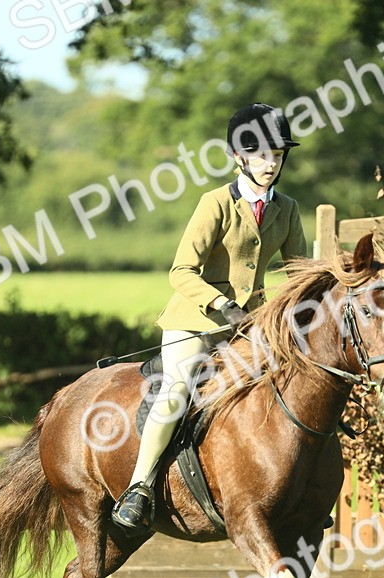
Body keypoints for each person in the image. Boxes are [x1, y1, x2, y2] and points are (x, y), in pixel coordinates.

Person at [111, 103, 308, 530]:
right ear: (240, 156)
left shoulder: (288, 209)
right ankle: (140, 486)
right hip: (196, 319)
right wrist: (222, 305)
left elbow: (300, 273)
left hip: (248, 326)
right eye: (260, 154)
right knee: (178, 390)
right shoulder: (215, 203)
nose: (270, 164)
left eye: (277, 155)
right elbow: (181, 270)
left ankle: (289, 492)